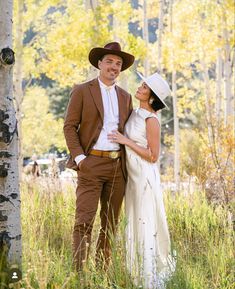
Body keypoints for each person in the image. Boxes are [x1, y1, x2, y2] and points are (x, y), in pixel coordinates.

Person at [63, 42, 135, 270]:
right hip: (90, 164)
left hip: (117, 168)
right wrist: (81, 159)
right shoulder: (83, 90)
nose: (114, 67)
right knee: (84, 221)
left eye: (118, 63)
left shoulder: (125, 96)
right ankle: (79, 274)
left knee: (110, 223)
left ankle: (102, 274)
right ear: (99, 64)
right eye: (110, 62)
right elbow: (69, 126)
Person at [108, 72, 175, 288]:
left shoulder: (151, 120)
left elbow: (153, 156)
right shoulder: (135, 112)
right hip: (133, 176)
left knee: (144, 221)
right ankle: (135, 271)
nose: (139, 87)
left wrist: (125, 141)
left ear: (152, 97)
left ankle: (148, 278)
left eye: (145, 87)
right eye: (142, 84)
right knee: (134, 220)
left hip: (144, 176)